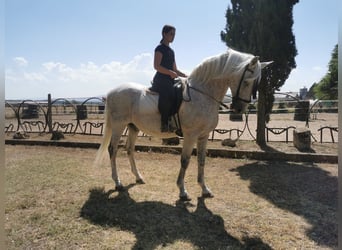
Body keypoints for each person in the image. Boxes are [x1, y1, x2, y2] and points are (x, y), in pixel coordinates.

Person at [151, 25, 187, 132]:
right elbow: (156, 66)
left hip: (170, 79)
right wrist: (169, 72)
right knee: (169, 92)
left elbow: (175, 69)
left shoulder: (171, 51)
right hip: (161, 80)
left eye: (174, 34)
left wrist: (186, 76)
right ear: (164, 34)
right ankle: (164, 123)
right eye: (171, 34)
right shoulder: (159, 48)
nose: (173, 36)